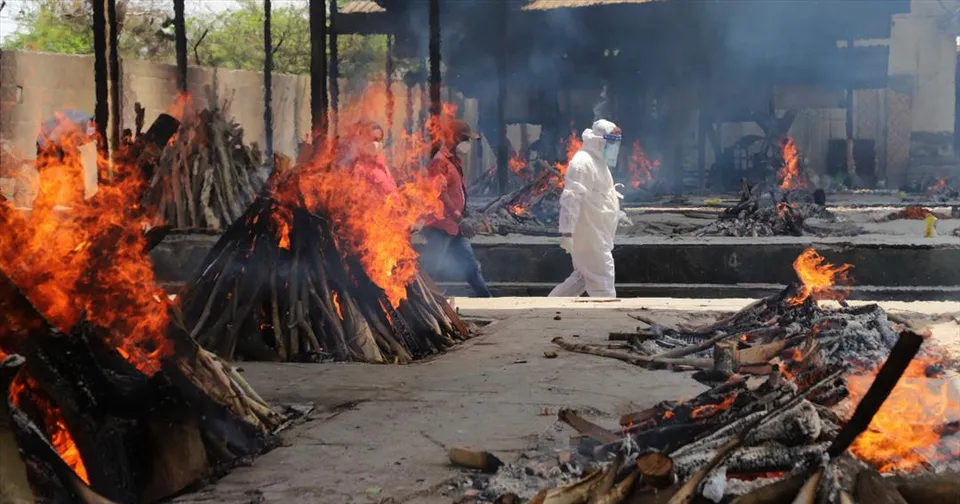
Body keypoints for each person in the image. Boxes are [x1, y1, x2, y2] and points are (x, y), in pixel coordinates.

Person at [549, 119, 624, 298]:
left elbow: (602, 196)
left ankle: (547, 308)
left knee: (581, 278)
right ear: (599, 140)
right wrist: (567, 232)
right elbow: (571, 199)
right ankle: (607, 320)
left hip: (597, 233)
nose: (613, 147)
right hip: (589, 234)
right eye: (611, 142)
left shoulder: (599, 163)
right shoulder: (582, 163)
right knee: (602, 279)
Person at [421, 120, 492, 298]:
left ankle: (487, 299)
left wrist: (464, 214)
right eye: (465, 139)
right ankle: (423, 302)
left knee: (471, 266)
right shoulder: (440, 162)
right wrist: (459, 218)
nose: (468, 144)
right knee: (431, 270)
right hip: (440, 227)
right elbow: (440, 194)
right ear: (454, 139)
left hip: (456, 226)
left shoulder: (454, 161)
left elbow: (457, 192)